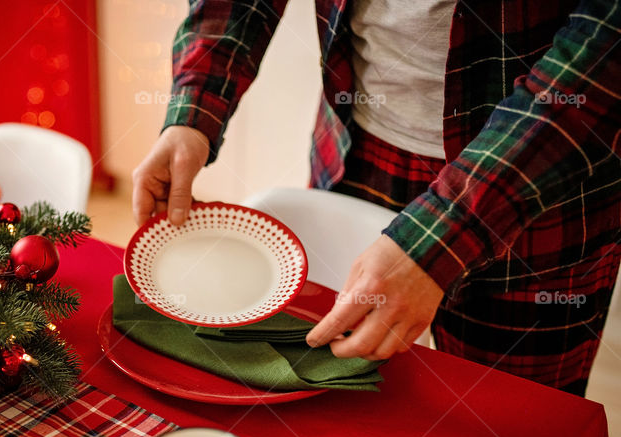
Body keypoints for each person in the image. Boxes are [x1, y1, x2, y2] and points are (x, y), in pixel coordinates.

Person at [132, 0, 621, 396]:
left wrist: (439, 238)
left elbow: (602, 63)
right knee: (338, 403)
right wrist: (192, 110)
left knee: (508, 427)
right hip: (354, 152)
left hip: (540, 187)